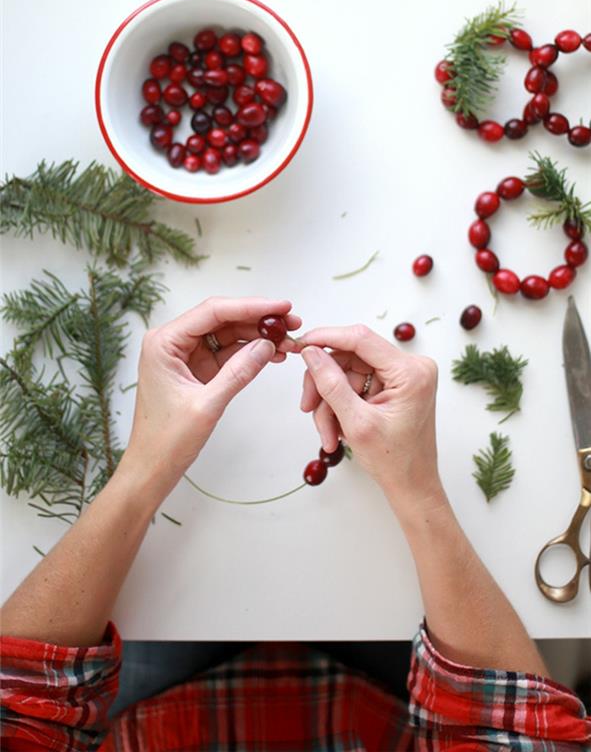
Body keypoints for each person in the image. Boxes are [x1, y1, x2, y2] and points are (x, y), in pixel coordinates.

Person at [1, 296, 589, 751]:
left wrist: (146, 467)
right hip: (386, 709)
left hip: (159, 706)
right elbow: (519, 733)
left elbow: (16, 696)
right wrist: (419, 492)